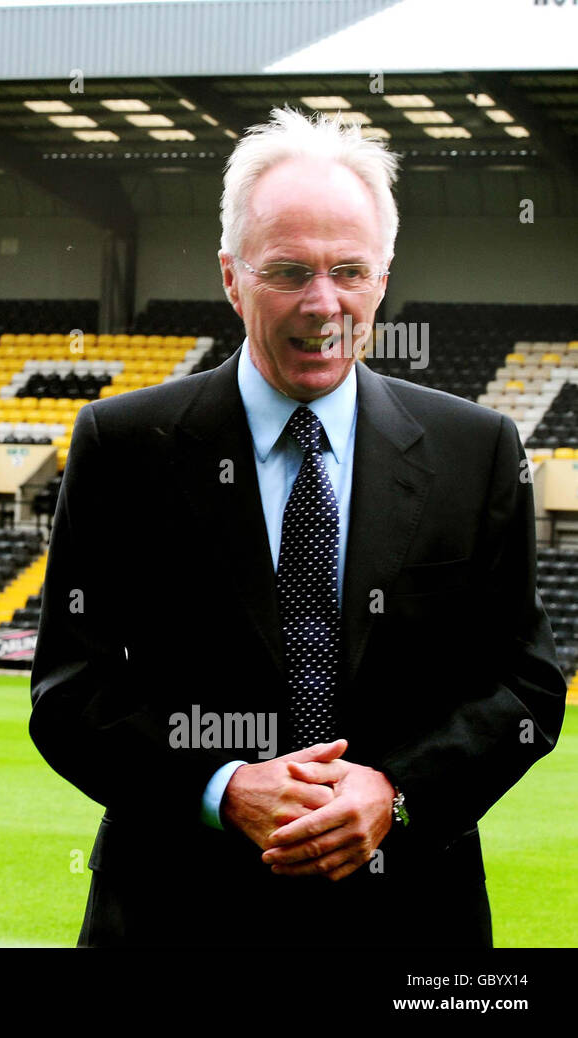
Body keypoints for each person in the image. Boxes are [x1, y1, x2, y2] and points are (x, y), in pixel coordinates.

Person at [28, 107, 566, 947]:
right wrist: (221, 786)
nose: (324, 306)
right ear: (231, 276)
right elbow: (69, 693)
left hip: (412, 916)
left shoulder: (478, 450)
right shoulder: (125, 445)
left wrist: (395, 794)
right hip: (176, 911)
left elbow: (523, 686)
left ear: (384, 276)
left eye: (350, 271)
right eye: (289, 272)